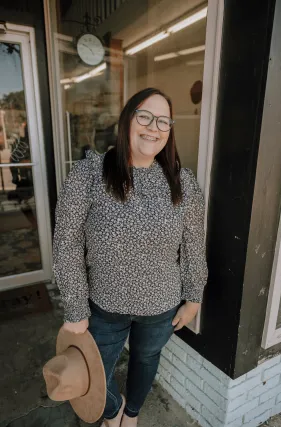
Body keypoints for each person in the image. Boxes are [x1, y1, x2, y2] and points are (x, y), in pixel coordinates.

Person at [53, 87, 208, 427]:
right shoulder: (89, 174)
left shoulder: (183, 182)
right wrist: (76, 308)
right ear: (127, 120)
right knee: (94, 373)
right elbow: (67, 243)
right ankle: (112, 410)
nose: (154, 127)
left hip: (161, 306)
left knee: (147, 358)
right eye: (145, 116)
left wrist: (193, 297)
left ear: (169, 131)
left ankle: (132, 414)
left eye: (164, 121)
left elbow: (195, 245)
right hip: (104, 306)